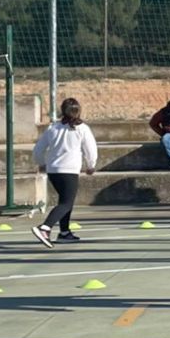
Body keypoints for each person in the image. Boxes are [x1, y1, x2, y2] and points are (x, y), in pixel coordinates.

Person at [31, 98, 98, 247]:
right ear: (78, 111)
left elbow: (38, 150)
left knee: (64, 200)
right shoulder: (82, 128)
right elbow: (91, 149)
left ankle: (64, 232)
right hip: (69, 170)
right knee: (67, 203)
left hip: (53, 171)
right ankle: (45, 228)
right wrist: (91, 165)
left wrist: (41, 163)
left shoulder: (53, 128)